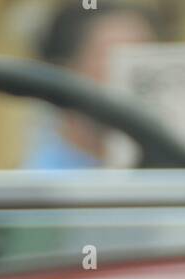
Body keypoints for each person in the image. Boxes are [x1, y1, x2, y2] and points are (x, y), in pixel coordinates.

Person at [25, 2, 158, 170]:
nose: (139, 75)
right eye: (115, 56)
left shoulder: (173, 172)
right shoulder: (37, 186)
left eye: (147, 57)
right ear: (64, 73)